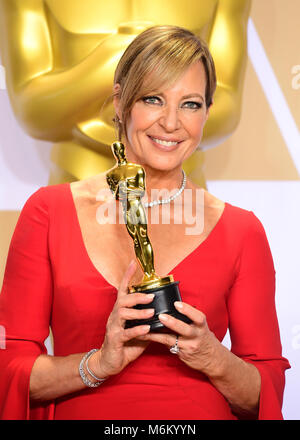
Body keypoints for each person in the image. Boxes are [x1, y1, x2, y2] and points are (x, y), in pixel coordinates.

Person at [0, 25, 290, 420]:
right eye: (153, 99)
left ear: (206, 112)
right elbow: (10, 372)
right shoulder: (49, 211)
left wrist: (212, 356)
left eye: (190, 104)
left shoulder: (241, 230)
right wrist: (99, 364)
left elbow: (264, 394)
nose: (171, 123)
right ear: (120, 103)